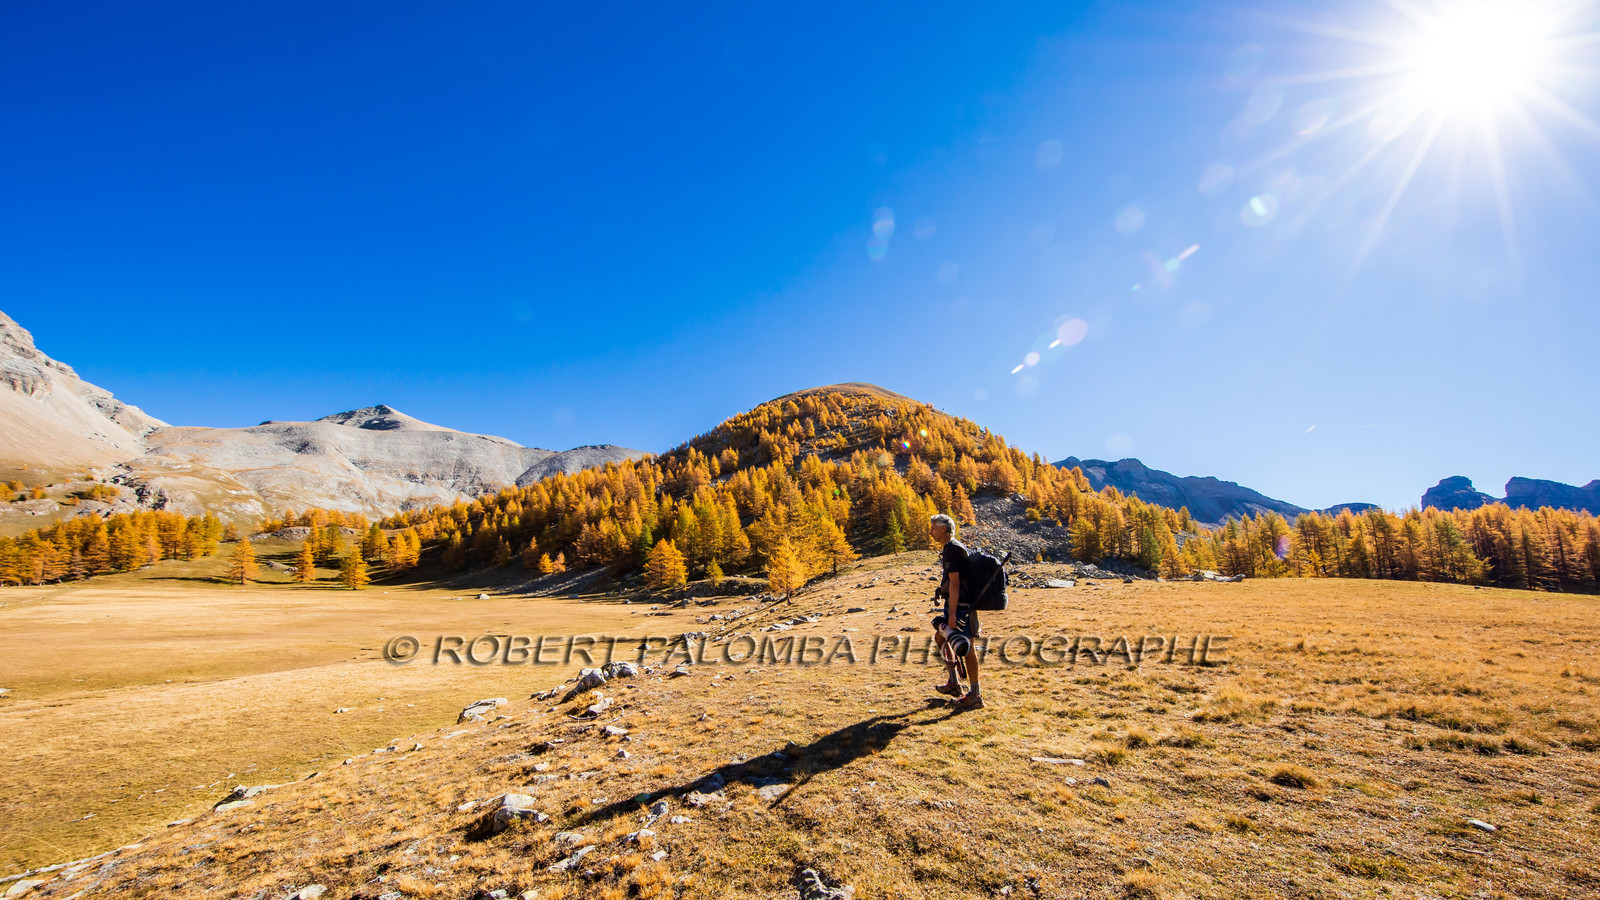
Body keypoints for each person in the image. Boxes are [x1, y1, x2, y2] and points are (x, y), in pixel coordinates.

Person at [929, 513, 983, 709]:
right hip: (956, 604)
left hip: (961, 607)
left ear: (943, 529)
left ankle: (975, 695)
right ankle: (954, 683)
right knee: (940, 638)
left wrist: (952, 614)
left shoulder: (952, 549)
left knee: (967, 648)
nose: (931, 532)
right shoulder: (953, 547)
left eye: (933, 528)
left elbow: (955, 583)